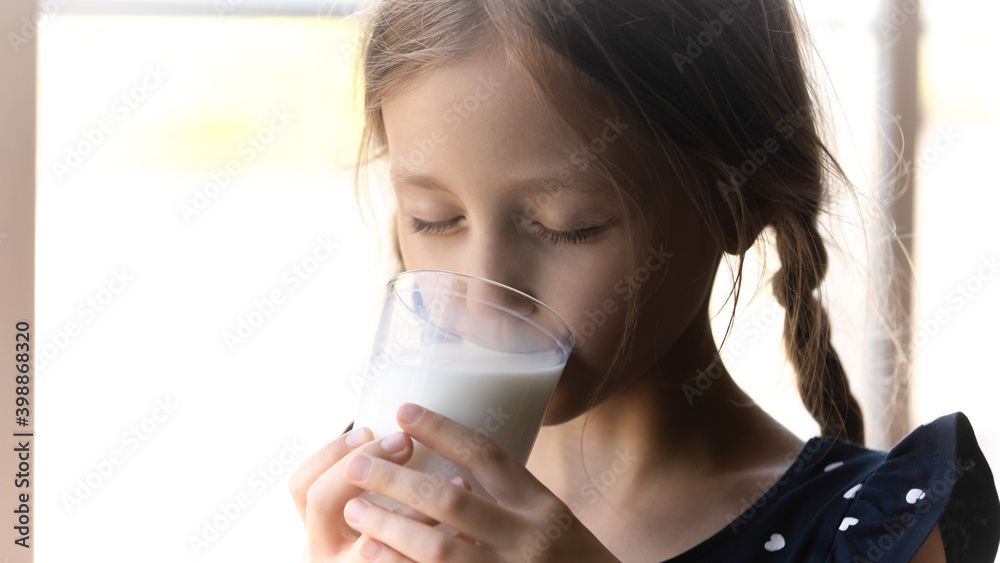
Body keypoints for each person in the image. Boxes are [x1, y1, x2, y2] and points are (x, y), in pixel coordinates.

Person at [288, 0, 1000, 561]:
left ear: (739, 201)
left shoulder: (870, 530)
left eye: (567, 226)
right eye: (433, 218)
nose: (481, 295)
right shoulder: (405, 488)